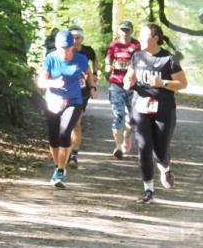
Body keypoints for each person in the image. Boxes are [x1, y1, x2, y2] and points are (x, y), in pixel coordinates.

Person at [123, 22, 187, 204]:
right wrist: (128, 82)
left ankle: (165, 168)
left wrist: (163, 83)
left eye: (143, 36)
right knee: (144, 147)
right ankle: (148, 190)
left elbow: (183, 84)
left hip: (164, 108)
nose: (139, 39)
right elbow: (129, 77)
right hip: (140, 107)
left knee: (160, 150)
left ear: (155, 38)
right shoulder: (137, 56)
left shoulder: (169, 59)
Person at [37, 30, 94, 188]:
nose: (65, 51)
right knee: (53, 137)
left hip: (73, 101)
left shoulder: (81, 59)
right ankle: (58, 166)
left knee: (64, 132)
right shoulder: (51, 58)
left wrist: (92, 86)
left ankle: (60, 171)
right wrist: (54, 83)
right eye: (62, 48)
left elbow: (88, 73)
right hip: (53, 101)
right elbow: (41, 82)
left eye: (68, 48)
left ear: (72, 46)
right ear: (56, 46)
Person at [105, 20, 141, 158]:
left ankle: (126, 137)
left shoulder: (136, 45)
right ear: (119, 31)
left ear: (131, 31)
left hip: (132, 85)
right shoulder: (114, 44)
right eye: (122, 30)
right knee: (118, 115)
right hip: (116, 84)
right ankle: (118, 147)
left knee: (132, 118)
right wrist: (108, 66)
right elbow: (108, 59)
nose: (125, 32)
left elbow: (142, 61)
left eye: (127, 30)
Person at [67, 25, 98, 168]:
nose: (75, 41)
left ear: (82, 38)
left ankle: (74, 154)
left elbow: (94, 61)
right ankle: (63, 149)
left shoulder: (87, 51)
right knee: (64, 123)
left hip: (82, 91)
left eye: (77, 38)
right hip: (65, 91)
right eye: (72, 38)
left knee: (76, 123)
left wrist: (93, 78)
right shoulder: (63, 51)